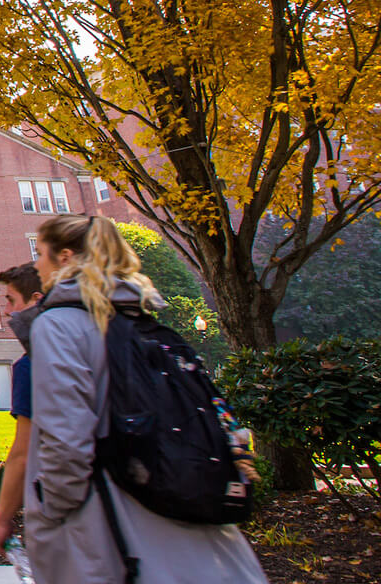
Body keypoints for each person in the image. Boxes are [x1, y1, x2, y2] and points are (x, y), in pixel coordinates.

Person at [25, 214, 266, 584]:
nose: (35, 264)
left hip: (114, 522)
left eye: (39, 253)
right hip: (188, 513)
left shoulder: (58, 325)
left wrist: (51, 514)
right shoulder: (148, 324)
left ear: (65, 257)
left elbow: (65, 440)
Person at [0, 262, 45, 555]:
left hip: (61, 502)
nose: (7, 312)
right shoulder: (94, 341)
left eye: (11, 300)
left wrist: (2, 519)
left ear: (36, 301)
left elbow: (23, 452)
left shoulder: (33, 363)